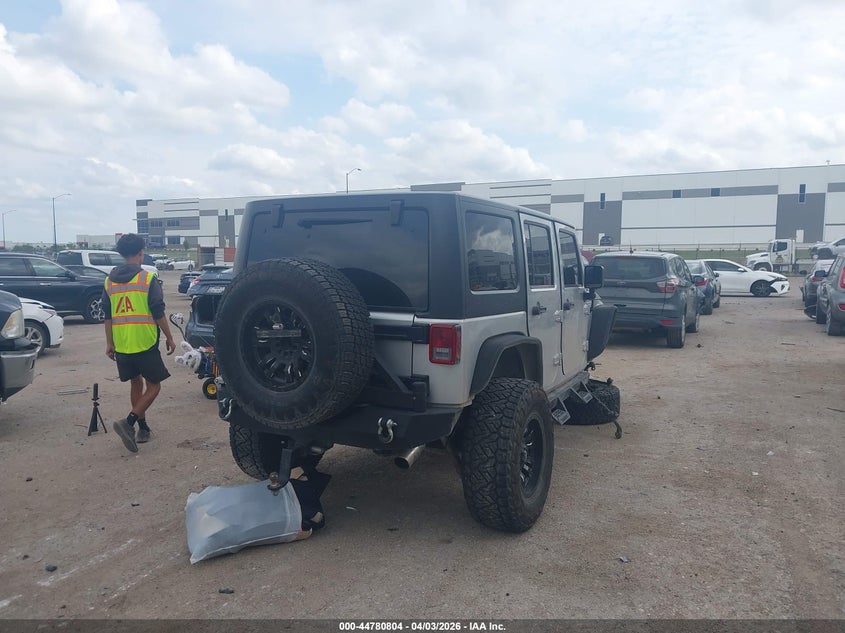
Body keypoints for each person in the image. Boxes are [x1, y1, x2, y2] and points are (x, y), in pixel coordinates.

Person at [103, 234, 176, 453]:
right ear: (141, 253)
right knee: (154, 386)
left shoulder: (109, 281)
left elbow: (108, 315)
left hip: (122, 344)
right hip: (144, 342)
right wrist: (170, 337)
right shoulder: (147, 279)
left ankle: (143, 429)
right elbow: (158, 312)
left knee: (136, 384)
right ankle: (129, 422)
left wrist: (109, 343)